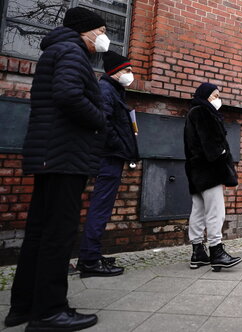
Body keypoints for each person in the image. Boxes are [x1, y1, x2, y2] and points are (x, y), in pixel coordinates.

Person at [6, 7, 108, 331]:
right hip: (65, 157)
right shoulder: (72, 51)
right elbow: (68, 95)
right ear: (87, 31)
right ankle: (49, 311)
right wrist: (100, 119)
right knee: (58, 235)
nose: (104, 37)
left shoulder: (57, 49)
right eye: (102, 30)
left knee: (39, 233)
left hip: (51, 155)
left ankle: (24, 306)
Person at [76, 51, 138, 278]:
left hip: (112, 156)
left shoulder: (114, 91)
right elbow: (104, 125)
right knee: (100, 208)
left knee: (102, 207)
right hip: (109, 157)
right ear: (114, 71)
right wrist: (120, 144)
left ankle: (92, 254)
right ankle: (90, 259)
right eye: (127, 71)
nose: (131, 75)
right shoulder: (106, 91)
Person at [184, 83, 242, 270]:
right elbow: (212, 144)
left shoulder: (193, 112)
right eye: (215, 95)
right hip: (210, 169)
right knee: (216, 211)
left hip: (196, 168)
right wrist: (223, 155)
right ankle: (216, 251)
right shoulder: (203, 112)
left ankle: (197, 252)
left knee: (198, 211)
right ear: (205, 96)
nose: (218, 99)